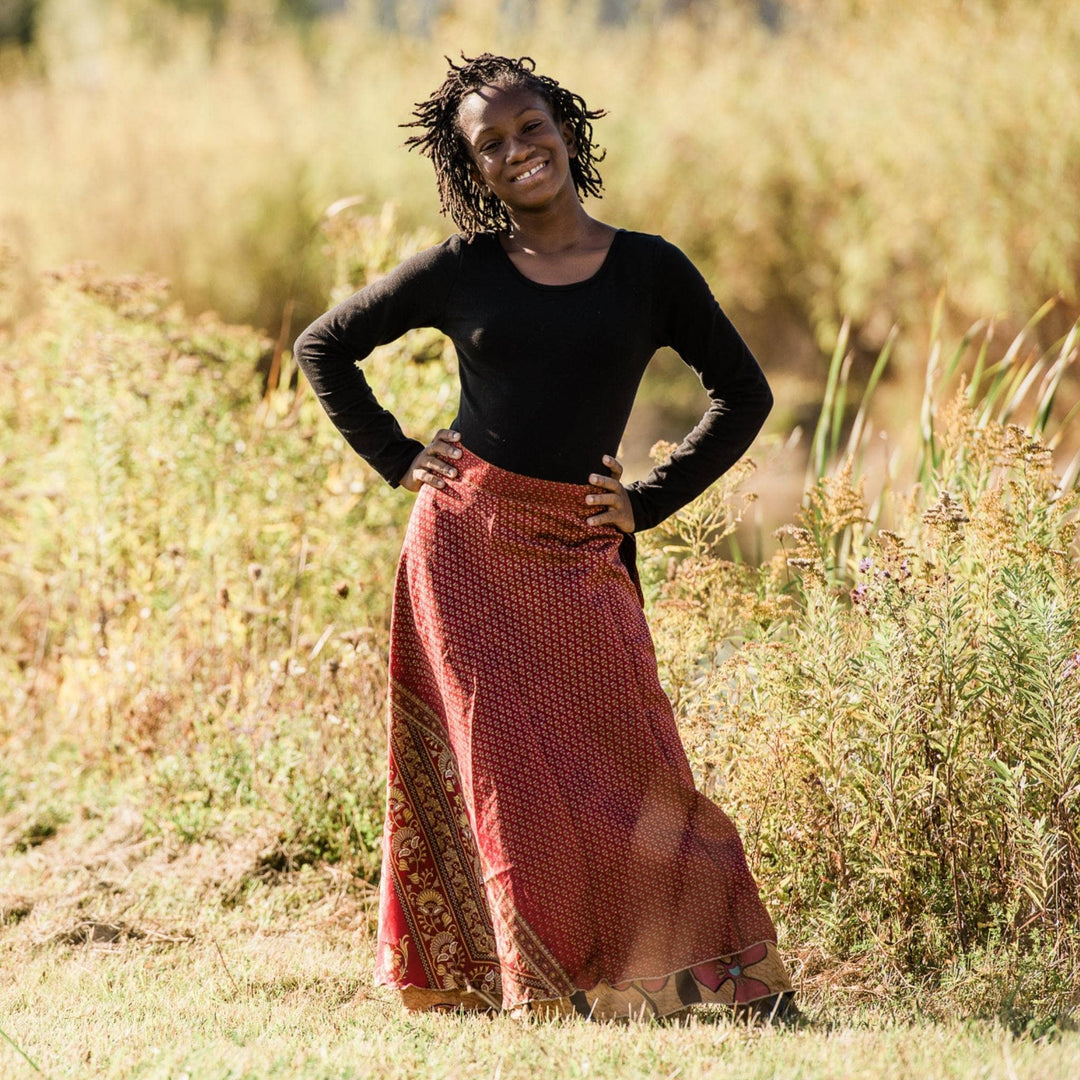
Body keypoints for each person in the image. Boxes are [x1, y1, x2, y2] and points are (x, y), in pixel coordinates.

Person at [294, 53, 794, 1022]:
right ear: (471, 170)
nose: (519, 152)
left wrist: (648, 502)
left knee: (640, 762)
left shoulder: (652, 268)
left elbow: (745, 394)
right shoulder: (461, 269)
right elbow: (325, 346)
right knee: (508, 778)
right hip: (466, 546)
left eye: (532, 129)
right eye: (493, 146)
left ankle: (718, 987)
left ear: (567, 131)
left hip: (579, 545)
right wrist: (398, 457)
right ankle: (542, 990)